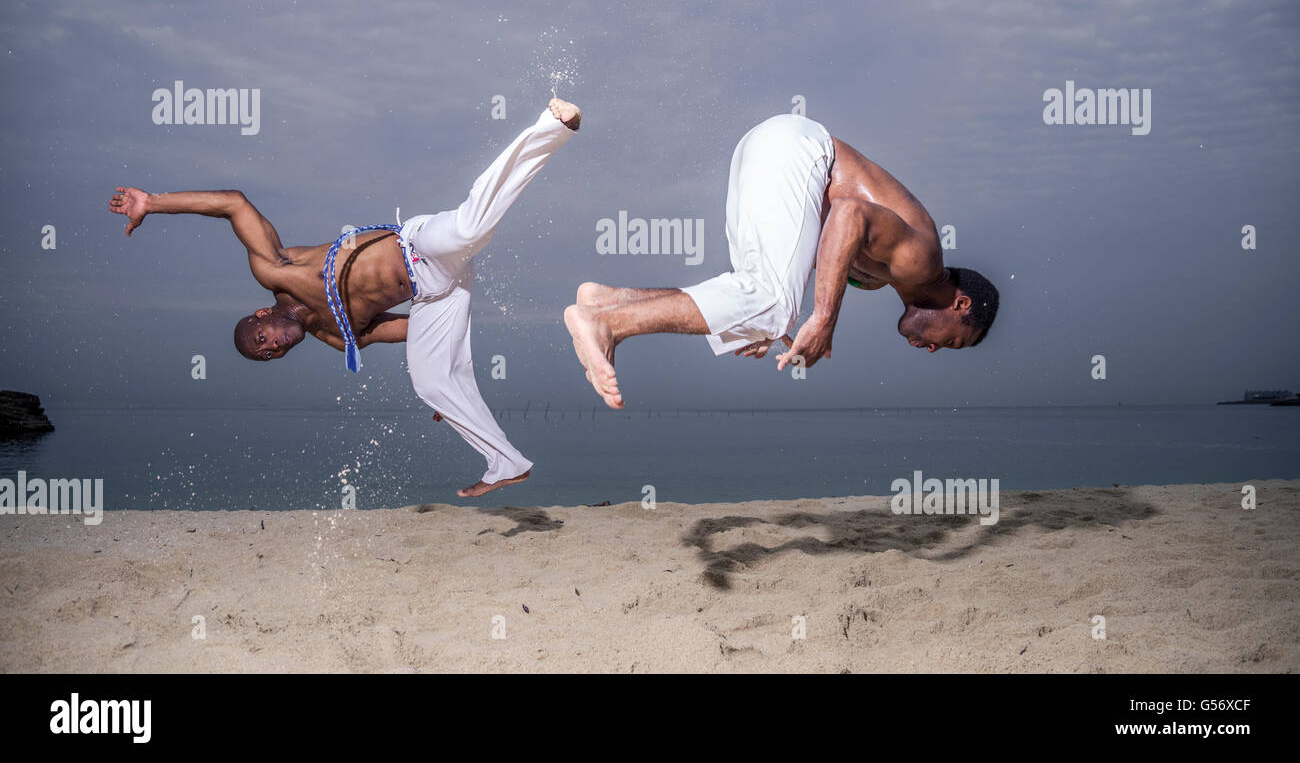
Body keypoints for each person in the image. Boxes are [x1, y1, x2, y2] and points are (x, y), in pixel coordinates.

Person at [109, 98, 582, 496]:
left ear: (260, 315)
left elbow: (234, 202)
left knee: (469, 226)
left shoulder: (278, 269)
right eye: (268, 355)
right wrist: (446, 374)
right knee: (429, 382)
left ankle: (551, 126)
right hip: (437, 292)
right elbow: (412, 329)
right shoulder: (338, 336)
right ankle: (506, 463)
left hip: (416, 245)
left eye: (261, 338)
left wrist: (153, 202)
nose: (272, 346)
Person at [565, 113, 998, 409]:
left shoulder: (880, 280)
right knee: (769, 302)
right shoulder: (924, 261)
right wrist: (823, 319)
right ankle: (609, 326)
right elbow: (848, 213)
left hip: (767, 148)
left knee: (757, 301)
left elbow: (806, 247)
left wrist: (765, 323)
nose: (932, 349)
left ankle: (606, 303)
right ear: (960, 305)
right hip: (798, 152)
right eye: (951, 341)